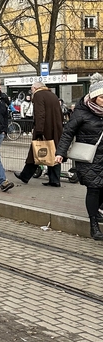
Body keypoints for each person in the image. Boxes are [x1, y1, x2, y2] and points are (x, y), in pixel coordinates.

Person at [55, 79, 103, 240]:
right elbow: (68, 132)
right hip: (89, 158)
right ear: (94, 97)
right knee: (94, 188)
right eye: (102, 97)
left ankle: (96, 211)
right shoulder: (81, 113)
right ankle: (94, 225)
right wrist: (60, 152)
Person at [14, 82, 64, 186]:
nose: (31, 91)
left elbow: (39, 113)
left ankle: (25, 176)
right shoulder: (53, 95)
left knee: (35, 151)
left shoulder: (38, 95)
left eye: (32, 89)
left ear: (36, 88)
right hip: (55, 129)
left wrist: (39, 130)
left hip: (44, 129)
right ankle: (55, 180)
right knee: (53, 152)